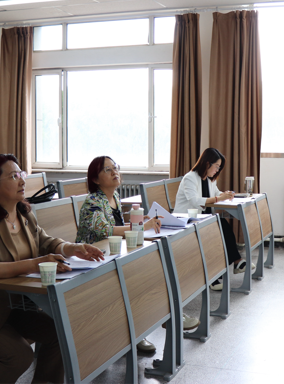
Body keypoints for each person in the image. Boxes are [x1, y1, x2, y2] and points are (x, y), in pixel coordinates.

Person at [0, 154, 104, 384]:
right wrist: (35, 263)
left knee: (61, 333)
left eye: (21, 174)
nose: (22, 180)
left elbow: (46, 242)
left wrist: (73, 248)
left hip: (12, 307)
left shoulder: (23, 214)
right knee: (19, 355)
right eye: (13, 176)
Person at [75, 156, 200, 351]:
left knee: (154, 268)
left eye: (115, 167)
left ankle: (165, 317)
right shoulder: (93, 201)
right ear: (95, 179)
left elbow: (117, 226)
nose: (114, 172)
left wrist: (140, 221)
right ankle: (140, 331)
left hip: (113, 252)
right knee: (140, 277)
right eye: (107, 170)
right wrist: (140, 226)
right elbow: (105, 230)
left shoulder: (114, 197)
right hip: (93, 259)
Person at [173, 147, 255, 291]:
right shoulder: (190, 178)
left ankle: (232, 264)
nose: (217, 170)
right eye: (216, 166)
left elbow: (216, 193)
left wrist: (224, 194)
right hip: (187, 220)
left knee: (223, 225)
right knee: (217, 229)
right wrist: (219, 198)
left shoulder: (209, 180)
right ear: (207, 163)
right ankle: (217, 273)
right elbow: (194, 201)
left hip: (203, 219)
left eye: (219, 167)